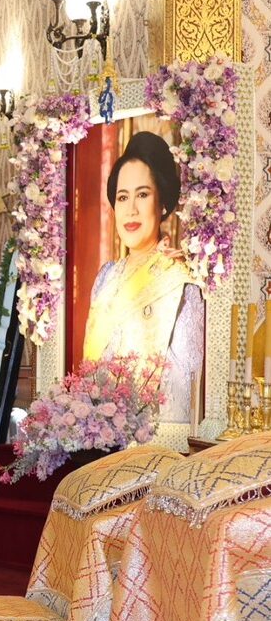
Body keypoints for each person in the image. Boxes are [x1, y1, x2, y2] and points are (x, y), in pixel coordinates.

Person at [83, 130, 203, 423]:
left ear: (162, 204)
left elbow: (183, 387)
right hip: (97, 433)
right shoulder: (106, 278)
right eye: (123, 197)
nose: (131, 210)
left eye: (143, 194)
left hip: (154, 436)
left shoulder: (181, 282)